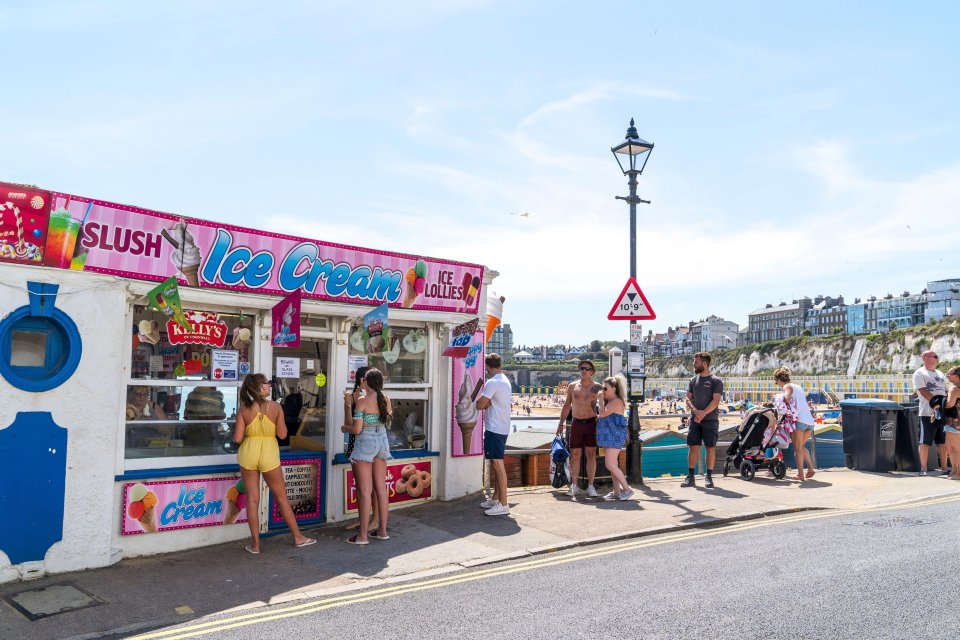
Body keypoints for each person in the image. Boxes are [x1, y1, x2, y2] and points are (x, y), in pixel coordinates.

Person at [233, 373, 315, 554]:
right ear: (260, 387)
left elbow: (238, 438)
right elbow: (283, 435)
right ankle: (298, 538)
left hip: (248, 453)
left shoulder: (243, 409)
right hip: (269, 454)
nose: (270, 386)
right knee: (282, 498)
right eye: (267, 383)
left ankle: (255, 545)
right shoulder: (276, 407)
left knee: (252, 500)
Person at [346, 368, 392, 544]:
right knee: (381, 489)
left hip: (366, 442)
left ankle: (363, 536)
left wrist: (345, 429)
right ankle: (382, 531)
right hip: (382, 441)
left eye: (363, 379)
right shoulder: (385, 399)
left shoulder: (363, 401)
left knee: (365, 491)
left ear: (367, 382)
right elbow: (387, 421)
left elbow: (357, 429)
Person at [556, 359, 602, 498]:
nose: (584, 370)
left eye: (587, 368)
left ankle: (590, 486)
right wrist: (560, 423)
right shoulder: (572, 386)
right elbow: (566, 406)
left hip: (591, 423)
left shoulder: (597, 387)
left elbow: (605, 404)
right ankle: (574, 485)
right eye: (582, 368)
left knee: (591, 455)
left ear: (592, 371)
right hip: (576, 423)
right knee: (575, 455)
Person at [341, 366, 379, 532]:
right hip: (356, 443)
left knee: (374, 486)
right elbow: (349, 423)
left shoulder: (376, 397)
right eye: (365, 378)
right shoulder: (354, 396)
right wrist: (348, 405)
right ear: (360, 380)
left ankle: (376, 520)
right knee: (361, 485)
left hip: (371, 442)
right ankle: (362, 519)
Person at [477, 353, 513, 516]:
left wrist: (483, 402)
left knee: (498, 464)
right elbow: (488, 403)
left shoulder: (492, 382)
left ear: (487, 366)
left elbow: (479, 404)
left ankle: (503, 504)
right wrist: (487, 402)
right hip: (502, 427)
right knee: (495, 463)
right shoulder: (504, 380)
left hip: (495, 428)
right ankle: (496, 498)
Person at [682, 352, 723, 488]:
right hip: (695, 420)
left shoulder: (716, 381)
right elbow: (688, 399)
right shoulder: (693, 380)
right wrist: (695, 412)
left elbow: (716, 401)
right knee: (693, 447)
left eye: (696, 362)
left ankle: (709, 477)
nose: (694, 364)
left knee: (710, 449)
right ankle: (691, 477)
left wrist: (703, 413)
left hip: (710, 420)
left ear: (704, 364)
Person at [774, 367, 816, 481]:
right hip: (809, 421)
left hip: (799, 421)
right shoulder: (798, 387)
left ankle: (800, 475)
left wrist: (781, 399)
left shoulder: (787, 386)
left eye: (776, 382)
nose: (777, 385)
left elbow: (787, 398)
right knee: (801, 447)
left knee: (797, 449)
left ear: (779, 380)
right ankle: (811, 469)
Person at [596, 375, 633, 501]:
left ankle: (627, 489)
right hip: (609, 436)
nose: (603, 391)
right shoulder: (611, 402)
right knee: (613, 465)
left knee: (610, 465)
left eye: (605, 389)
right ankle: (616, 492)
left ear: (614, 389)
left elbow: (602, 413)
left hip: (614, 436)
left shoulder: (616, 402)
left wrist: (600, 399)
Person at [913, 350, 949, 476]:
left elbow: (945, 391)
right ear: (925, 358)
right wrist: (935, 403)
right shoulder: (919, 373)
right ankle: (923, 469)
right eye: (935, 356)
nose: (937, 358)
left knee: (943, 441)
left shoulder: (940, 373)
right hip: (927, 413)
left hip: (942, 413)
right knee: (924, 441)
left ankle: (944, 468)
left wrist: (945, 405)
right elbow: (922, 390)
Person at [942, 366, 960, 480]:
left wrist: (939, 403)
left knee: (954, 448)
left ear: (957, 376)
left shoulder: (954, 388)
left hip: (953, 421)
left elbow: (950, 404)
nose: (947, 376)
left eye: (949, 374)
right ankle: (955, 471)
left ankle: (957, 472)